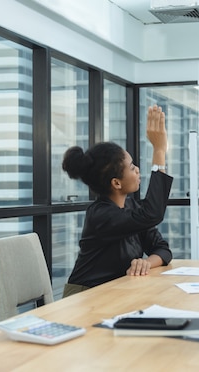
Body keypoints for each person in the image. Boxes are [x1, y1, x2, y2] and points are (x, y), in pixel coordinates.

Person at [61, 105, 173, 298]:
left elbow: (162, 249)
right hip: (84, 297)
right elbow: (152, 213)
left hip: (114, 291)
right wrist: (159, 151)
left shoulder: (130, 207)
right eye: (131, 167)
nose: (137, 169)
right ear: (116, 183)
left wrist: (147, 262)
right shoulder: (101, 215)